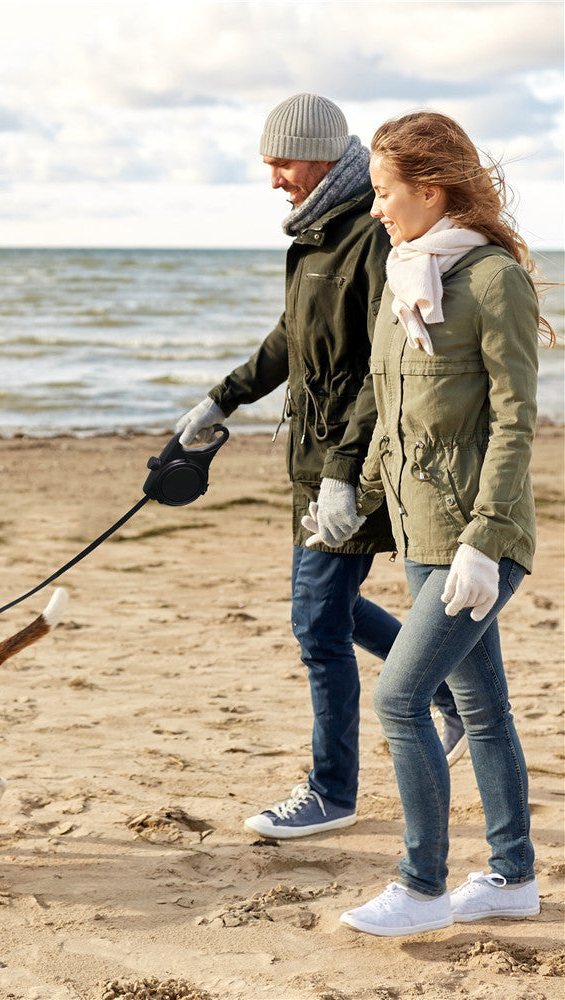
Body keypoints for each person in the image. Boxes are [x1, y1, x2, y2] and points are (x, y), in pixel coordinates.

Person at [176, 94, 463, 839]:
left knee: (315, 622)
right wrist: (223, 397)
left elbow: (382, 368)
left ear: (322, 155)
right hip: (312, 460)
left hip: (355, 463)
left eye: (282, 162)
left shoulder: (372, 234)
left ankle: (332, 792)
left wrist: (342, 472)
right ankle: (448, 692)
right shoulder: (312, 234)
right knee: (329, 609)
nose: (273, 178)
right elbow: (290, 337)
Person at [316, 110, 551, 936]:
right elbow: (391, 412)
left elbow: (516, 423)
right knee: (482, 710)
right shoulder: (405, 277)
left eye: (384, 192)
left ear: (431, 188)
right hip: (421, 534)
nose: (376, 208)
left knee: (400, 697)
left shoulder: (492, 281)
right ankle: (513, 877)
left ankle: (420, 888)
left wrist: (485, 541)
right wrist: (351, 498)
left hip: (479, 540)